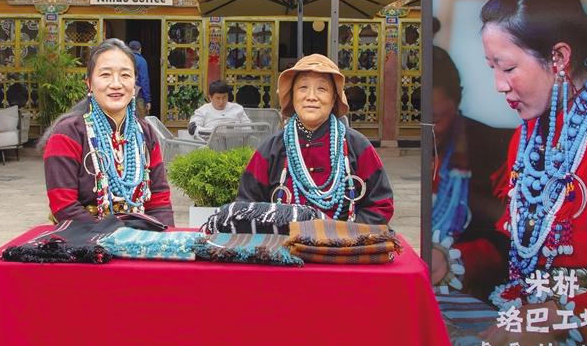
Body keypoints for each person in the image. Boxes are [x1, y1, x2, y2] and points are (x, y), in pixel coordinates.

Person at [449, 0, 587, 346]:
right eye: (491, 67)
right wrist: (453, 261)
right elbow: (516, 246)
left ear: (559, 58)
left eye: (507, 67)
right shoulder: (527, 140)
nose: (498, 84)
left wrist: (559, 313)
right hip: (530, 316)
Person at [237, 54, 394, 224]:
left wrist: (345, 233)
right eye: (303, 87)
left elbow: (381, 205)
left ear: (334, 98)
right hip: (284, 239)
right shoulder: (272, 148)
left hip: (344, 239)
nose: (311, 96)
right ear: (292, 95)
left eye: (322, 89)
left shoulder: (356, 145)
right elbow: (246, 206)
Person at [43, 38, 174, 226]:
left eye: (125, 75)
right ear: (89, 83)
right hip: (84, 237)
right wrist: (118, 237)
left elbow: (159, 201)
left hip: (140, 237)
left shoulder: (144, 132)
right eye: (105, 75)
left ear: (135, 83)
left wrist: (166, 237)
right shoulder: (67, 133)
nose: (116, 84)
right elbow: (64, 206)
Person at [430, 39, 513, 300]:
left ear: (457, 100)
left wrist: (456, 260)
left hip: (472, 291)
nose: (427, 131)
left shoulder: (495, 149)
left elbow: (513, 238)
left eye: (435, 120)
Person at [188, 80, 252, 140]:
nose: (221, 102)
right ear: (210, 97)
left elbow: (248, 127)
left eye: (224, 97)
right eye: (218, 98)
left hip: (236, 143)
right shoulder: (202, 111)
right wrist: (215, 132)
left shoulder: (237, 108)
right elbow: (193, 129)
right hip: (210, 144)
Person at [127, 40, 151, 118]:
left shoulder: (124, 60)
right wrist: (147, 100)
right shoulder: (142, 61)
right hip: (139, 95)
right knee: (141, 120)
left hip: (125, 94)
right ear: (140, 49)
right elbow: (144, 81)